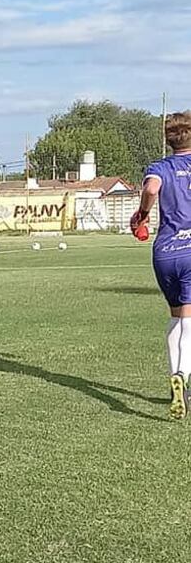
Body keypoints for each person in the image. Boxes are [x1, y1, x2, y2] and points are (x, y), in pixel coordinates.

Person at [132, 111, 191, 419]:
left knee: (176, 315)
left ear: (168, 141)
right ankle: (182, 374)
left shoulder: (160, 167)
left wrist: (142, 213)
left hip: (166, 250)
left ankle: (174, 380)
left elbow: (152, 189)